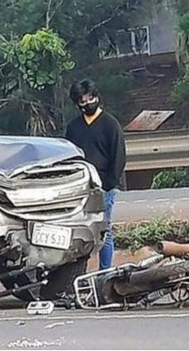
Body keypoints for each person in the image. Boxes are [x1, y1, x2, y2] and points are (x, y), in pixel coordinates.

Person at [65, 78, 126, 270]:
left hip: (103, 188)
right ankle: (78, 272)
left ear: (96, 97)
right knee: (80, 232)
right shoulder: (74, 127)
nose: (87, 103)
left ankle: (105, 272)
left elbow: (119, 157)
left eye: (90, 98)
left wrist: (108, 184)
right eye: (82, 100)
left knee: (103, 231)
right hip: (80, 188)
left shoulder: (110, 124)